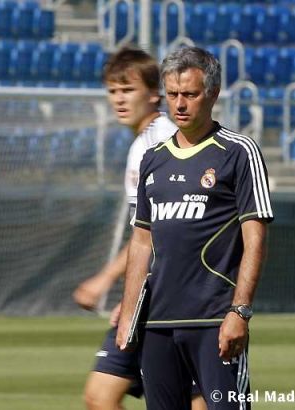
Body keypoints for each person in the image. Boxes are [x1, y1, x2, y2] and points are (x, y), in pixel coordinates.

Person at [116, 46, 273, 410]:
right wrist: (128, 315)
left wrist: (240, 311)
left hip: (214, 321)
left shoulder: (239, 152)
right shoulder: (153, 159)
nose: (180, 104)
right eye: (172, 94)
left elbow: (255, 239)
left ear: (212, 94)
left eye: (189, 94)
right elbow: (141, 242)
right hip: (157, 324)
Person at [73, 47, 206, 410]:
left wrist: (112, 284)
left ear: (153, 94)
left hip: (179, 297)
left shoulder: (160, 141)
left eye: (128, 89)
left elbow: (163, 231)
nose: (119, 99)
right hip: (154, 293)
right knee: (100, 396)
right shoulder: (143, 142)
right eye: (113, 91)